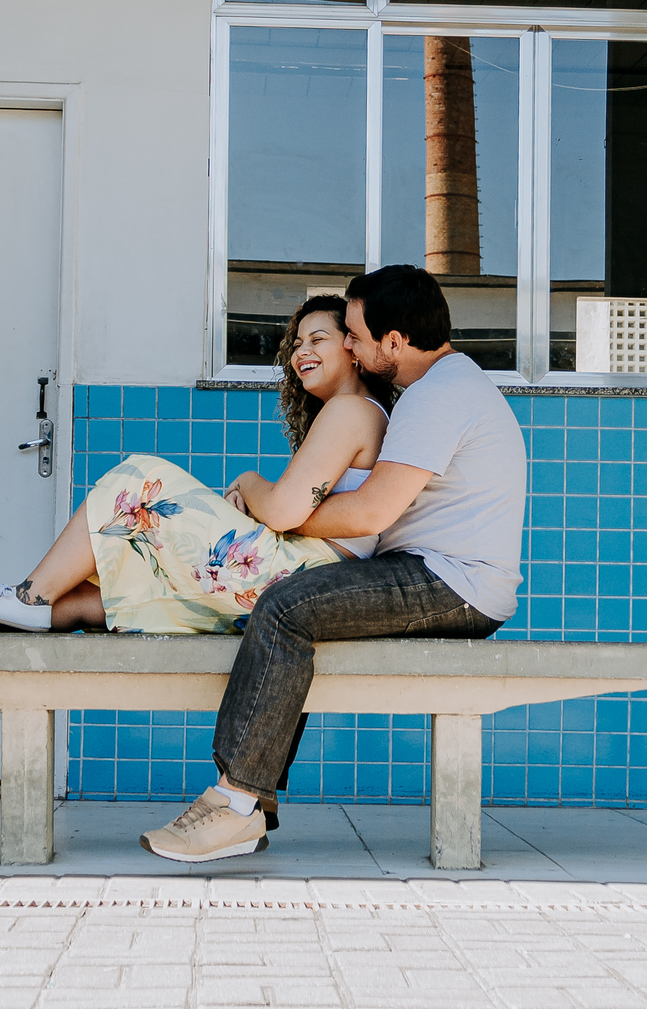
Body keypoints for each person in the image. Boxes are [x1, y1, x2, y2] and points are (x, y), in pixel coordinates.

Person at [138, 264, 528, 865]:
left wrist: (281, 514)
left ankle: (234, 802)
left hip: (452, 582)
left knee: (289, 605)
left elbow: (371, 512)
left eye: (355, 335)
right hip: (448, 575)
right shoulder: (450, 386)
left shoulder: (438, 397)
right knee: (299, 600)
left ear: (394, 342)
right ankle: (252, 801)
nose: (348, 344)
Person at [0, 294, 395, 643]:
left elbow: (282, 510)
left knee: (140, 476)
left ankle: (29, 594)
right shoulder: (356, 416)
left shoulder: (352, 411)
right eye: (297, 343)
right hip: (300, 581)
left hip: (299, 580)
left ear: (352, 348)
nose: (301, 351)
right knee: (99, 595)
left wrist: (249, 484)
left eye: (318, 339)